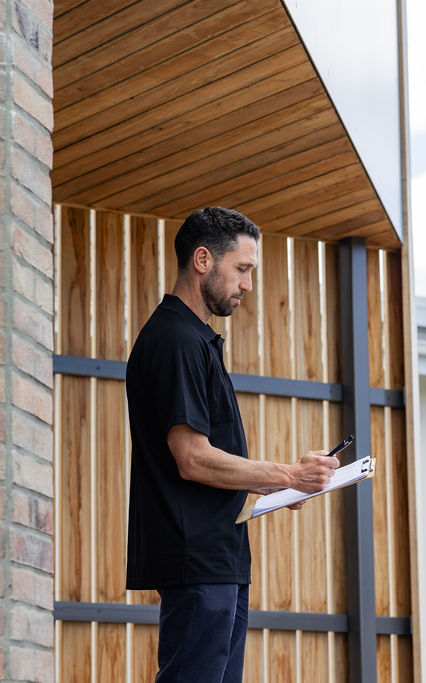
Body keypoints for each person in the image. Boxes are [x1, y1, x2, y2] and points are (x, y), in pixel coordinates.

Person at [125, 207, 340, 682]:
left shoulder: (197, 341)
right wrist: (288, 474)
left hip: (217, 558)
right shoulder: (175, 339)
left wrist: (279, 488)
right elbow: (192, 459)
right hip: (197, 559)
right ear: (202, 260)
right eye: (241, 269)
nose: (247, 285)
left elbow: (207, 465)